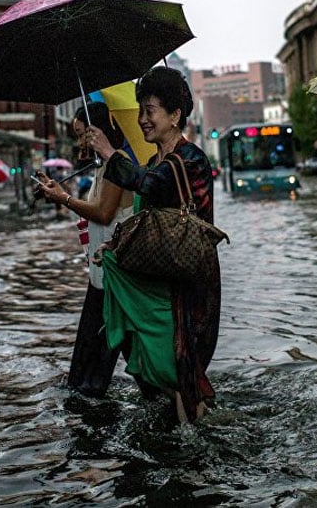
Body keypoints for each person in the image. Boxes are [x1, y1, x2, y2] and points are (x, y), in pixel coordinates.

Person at [80, 66, 220, 424]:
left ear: (175, 116)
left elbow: (153, 185)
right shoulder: (153, 161)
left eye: (150, 110)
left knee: (183, 365)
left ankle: (199, 451)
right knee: (168, 369)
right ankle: (192, 434)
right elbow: (143, 220)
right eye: (140, 110)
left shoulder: (189, 159)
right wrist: (113, 247)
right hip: (159, 285)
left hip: (187, 286)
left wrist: (111, 152)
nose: (142, 119)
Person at [37, 102, 135, 398]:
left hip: (114, 280)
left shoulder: (116, 162)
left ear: (96, 131)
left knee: (90, 374)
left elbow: (104, 213)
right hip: (102, 276)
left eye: (82, 134)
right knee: (88, 367)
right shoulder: (103, 166)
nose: (79, 142)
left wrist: (64, 198)